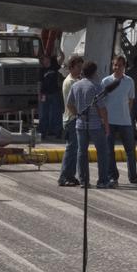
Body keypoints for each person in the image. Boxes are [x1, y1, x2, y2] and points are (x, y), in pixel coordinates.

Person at [67, 60, 122, 189]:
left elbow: (69, 104)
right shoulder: (96, 86)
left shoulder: (76, 86)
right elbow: (101, 109)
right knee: (102, 152)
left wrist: (78, 114)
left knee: (82, 152)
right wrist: (107, 126)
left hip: (80, 125)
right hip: (95, 125)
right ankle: (102, 180)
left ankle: (84, 180)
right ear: (94, 72)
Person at [104, 55, 137, 186]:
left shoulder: (129, 81)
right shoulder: (106, 81)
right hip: (109, 120)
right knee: (109, 150)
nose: (117, 67)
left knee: (130, 150)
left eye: (120, 65)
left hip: (125, 121)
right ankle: (112, 176)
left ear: (124, 66)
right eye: (115, 65)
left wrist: (126, 113)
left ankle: (133, 176)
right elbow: (102, 102)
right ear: (112, 65)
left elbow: (131, 100)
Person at [57, 55, 84, 187]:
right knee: (71, 148)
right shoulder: (70, 82)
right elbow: (70, 104)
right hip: (72, 119)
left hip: (74, 118)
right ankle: (64, 176)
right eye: (78, 67)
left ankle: (70, 175)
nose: (80, 70)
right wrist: (79, 116)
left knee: (75, 149)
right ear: (71, 67)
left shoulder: (76, 80)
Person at [39, 54, 63, 140]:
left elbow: (62, 58)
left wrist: (60, 50)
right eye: (42, 59)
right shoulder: (41, 70)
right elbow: (39, 83)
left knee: (56, 113)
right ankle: (43, 132)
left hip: (54, 93)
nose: (44, 60)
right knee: (43, 113)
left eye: (44, 58)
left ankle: (57, 132)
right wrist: (39, 94)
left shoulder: (54, 67)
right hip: (44, 94)